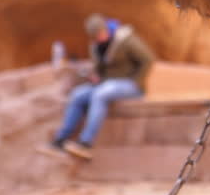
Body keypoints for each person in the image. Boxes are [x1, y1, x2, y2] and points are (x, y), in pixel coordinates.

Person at [38, 13, 154, 160]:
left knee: (101, 94)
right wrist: (94, 76)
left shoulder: (125, 39)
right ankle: (60, 140)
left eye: (101, 33)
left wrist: (137, 82)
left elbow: (148, 59)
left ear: (105, 28)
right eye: (96, 35)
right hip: (106, 83)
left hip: (130, 85)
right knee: (78, 94)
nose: (100, 37)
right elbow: (101, 69)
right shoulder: (95, 46)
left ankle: (85, 143)